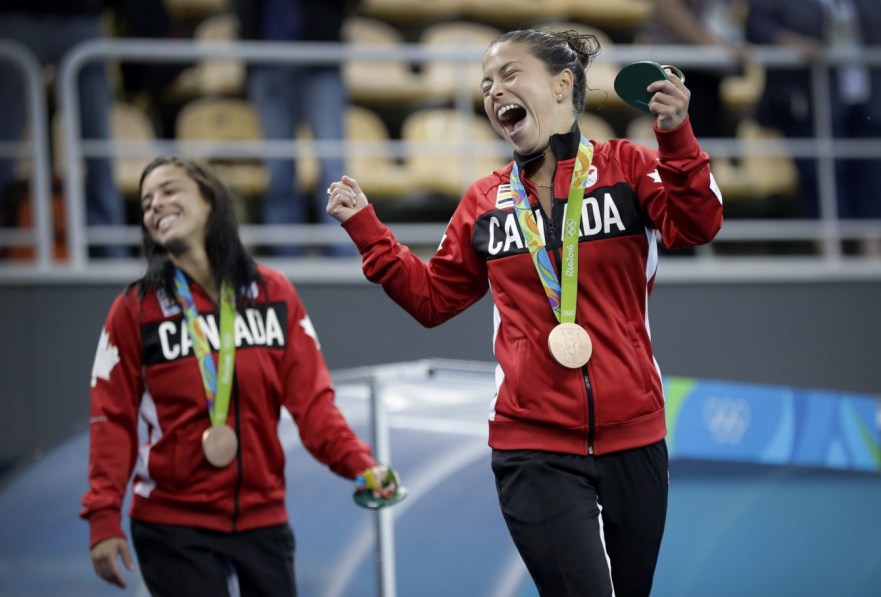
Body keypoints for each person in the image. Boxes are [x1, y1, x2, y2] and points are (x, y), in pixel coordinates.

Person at [327, 28, 723, 597]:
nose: (494, 92)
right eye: (486, 84)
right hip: (533, 446)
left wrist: (676, 137)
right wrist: (368, 231)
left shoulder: (627, 168)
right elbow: (433, 300)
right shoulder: (485, 204)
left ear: (563, 84)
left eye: (510, 75)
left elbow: (699, 223)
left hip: (635, 437)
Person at [80, 155, 402, 593]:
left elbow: (313, 406)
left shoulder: (274, 294)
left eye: (170, 190)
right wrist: (103, 517)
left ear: (210, 200)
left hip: (262, 518)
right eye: (146, 201)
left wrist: (360, 465)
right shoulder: (135, 310)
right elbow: (111, 419)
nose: (156, 205)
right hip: (172, 524)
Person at [0, 0, 146, 258]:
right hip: (18, 16)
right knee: (4, 145)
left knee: (98, 147)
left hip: (82, 16)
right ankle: (7, 239)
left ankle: (111, 251)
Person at [746, 0, 881, 249]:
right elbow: (757, 25)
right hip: (810, 101)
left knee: (872, 179)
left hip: (867, 102)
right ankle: (831, 257)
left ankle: (872, 256)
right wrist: (791, 42)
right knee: (821, 180)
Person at [233, 0, 360, 257]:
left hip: (321, 58)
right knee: (279, 169)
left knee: (332, 166)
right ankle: (285, 255)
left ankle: (342, 253)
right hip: (266, 60)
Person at [640, 0, 748, 139]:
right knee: (684, 145)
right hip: (680, 67)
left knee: (702, 144)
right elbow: (667, 7)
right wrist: (716, 45)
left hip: (710, 70)